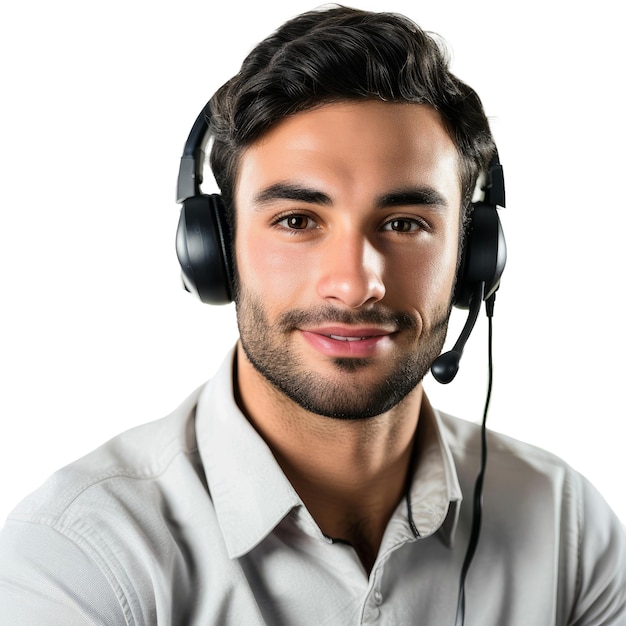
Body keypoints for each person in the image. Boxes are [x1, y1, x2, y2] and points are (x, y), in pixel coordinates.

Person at [0, 5, 624, 625]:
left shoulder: (567, 527)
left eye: (405, 223)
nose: (356, 284)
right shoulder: (79, 557)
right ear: (215, 250)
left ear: (473, 257)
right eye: (297, 221)